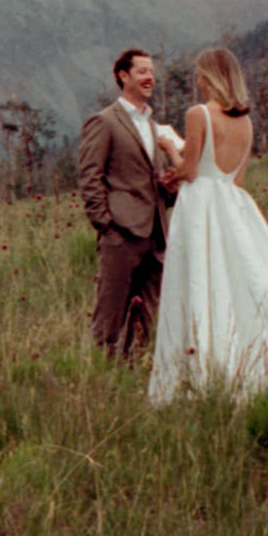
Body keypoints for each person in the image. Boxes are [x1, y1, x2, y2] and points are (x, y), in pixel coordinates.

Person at [148, 46, 268, 404]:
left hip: (201, 209)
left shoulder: (198, 114)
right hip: (232, 207)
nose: (198, 80)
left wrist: (169, 147)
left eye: (201, 74)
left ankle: (205, 366)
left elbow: (189, 171)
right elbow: (235, 180)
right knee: (240, 279)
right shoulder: (246, 122)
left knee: (201, 279)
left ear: (210, 77)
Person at [76, 47, 180, 359]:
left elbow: (149, 177)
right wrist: (106, 224)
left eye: (151, 72)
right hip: (121, 234)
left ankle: (135, 372)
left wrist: (168, 188)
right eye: (143, 72)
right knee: (110, 314)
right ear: (124, 76)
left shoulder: (152, 125)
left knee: (149, 316)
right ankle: (99, 377)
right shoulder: (104, 122)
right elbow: (89, 176)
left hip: (155, 235)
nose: (150, 78)